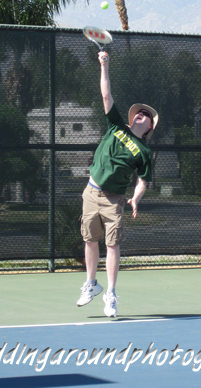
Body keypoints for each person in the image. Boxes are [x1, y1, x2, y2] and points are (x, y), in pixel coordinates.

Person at [76, 50, 158, 317]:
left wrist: (136, 199)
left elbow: (143, 181)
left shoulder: (144, 152)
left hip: (114, 200)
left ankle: (110, 294)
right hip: (91, 193)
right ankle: (91, 284)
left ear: (149, 127)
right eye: (139, 113)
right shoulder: (116, 126)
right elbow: (106, 95)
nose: (140, 115)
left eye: (146, 115)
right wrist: (104, 65)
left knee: (112, 245)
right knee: (90, 240)